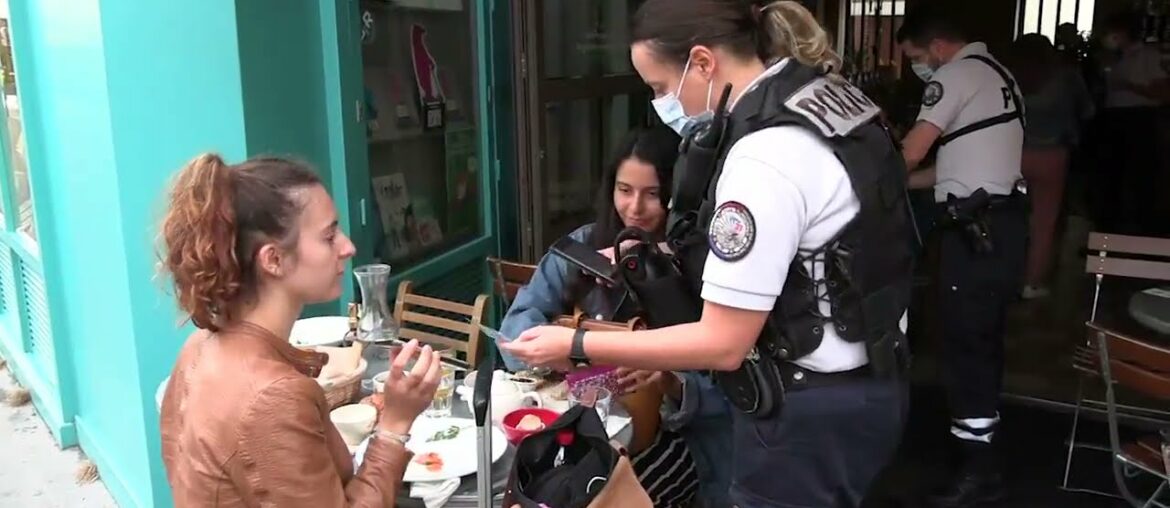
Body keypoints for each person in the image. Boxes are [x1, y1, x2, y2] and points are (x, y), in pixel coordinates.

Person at [500, 2, 913, 507]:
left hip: (807, 415)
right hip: (869, 381)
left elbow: (723, 343)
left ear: (701, 62)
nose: (659, 104)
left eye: (657, 87)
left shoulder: (765, 155)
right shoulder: (825, 101)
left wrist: (580, 342)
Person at [157, 154, 443, 506]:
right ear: (273, 259)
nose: (348, 247)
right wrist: (395, 425)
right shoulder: (274, 397)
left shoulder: (198, 347)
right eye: (329, 235)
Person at [499, 126, 733, 508]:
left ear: (677, 194)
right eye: (624, 190)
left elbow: (727, 388)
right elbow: (514, 331)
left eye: (653, 194)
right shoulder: (582, 248)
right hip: (580, 429)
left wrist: (671, 382)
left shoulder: (699, 265)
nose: (635, 208)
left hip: (671, 439)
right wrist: (569, 349)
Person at [897, 8, 1028, 507]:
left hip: (976, 231)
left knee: (966, 343)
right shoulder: (998, 75)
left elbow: (912, 151)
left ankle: (978, 471)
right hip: (1002, 224)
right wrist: (898, 182)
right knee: (982, 341)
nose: (916, 67)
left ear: (935, 47)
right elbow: (953, 166)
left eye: (913, 57)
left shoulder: (954, 76)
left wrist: (870, 170)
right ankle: (975, 449)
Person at [1003, 34, 1095, 299]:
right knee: (1045, 222)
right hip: (1053, 154)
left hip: (1013, 152)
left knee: (1008, 216)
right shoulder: (1067, 77)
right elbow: (1087, 110)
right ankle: (1032, 282)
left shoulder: (1008, 77)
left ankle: (1006, 275)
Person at [1095, 13, 1168, 236]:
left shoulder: (1148, 56)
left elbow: (1161, 93)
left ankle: (1146, 229)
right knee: (1111, 175)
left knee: (1142, 175)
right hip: (1113, 118)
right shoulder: (1115, 59)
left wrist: (1127, 85)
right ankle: (1108, 228)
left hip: (1139, 118)